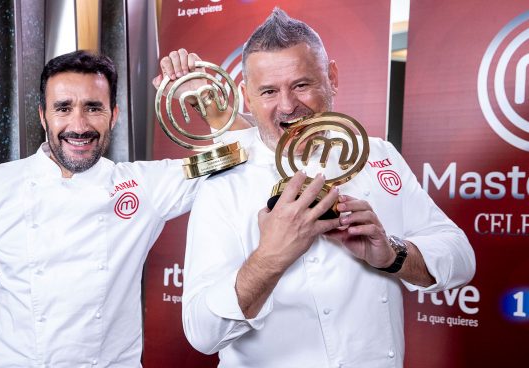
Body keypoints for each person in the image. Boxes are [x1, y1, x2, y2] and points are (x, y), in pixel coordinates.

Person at [0, 50, 245, 368]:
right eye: (63, 108)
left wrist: (205, 95)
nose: (79, 124)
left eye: (94, 108)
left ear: (113, 115)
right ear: (43, 115)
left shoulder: (145, 186)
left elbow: (238, 157)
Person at [181, 8, 476, 368]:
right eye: (269, 91)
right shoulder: (224, 183)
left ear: (332, 77)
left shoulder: (378, 155)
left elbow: (461, 258)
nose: (288, 106)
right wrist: (270, 258)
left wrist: (391, 254)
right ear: (246, 96)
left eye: (302, 85)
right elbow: (202, 333)